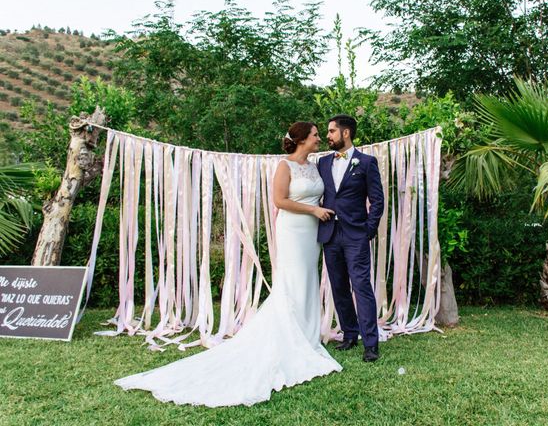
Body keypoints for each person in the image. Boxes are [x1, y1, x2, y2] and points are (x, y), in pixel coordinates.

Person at [114, 122, 342, 407]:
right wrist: (313, 209)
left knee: (308, 279)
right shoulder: (285, 167)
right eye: (315, 135)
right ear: (301, 140)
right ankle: (291, 336)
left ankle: (308, 336)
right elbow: (279, 200)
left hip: (312, 233)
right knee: (292, 281)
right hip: (293, 229)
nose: (319, 139)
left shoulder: (315, 165)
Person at [317, 114, 384, 362]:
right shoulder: (323, 163)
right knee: (339, 287)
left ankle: (371, 343)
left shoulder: (366, 162)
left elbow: (377, 200)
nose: (328, 136)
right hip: (330, 234)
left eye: (332, 131)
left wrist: (368, 229)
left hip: (356, 234)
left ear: (346, 133)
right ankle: (349, 334)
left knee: (361, 287)